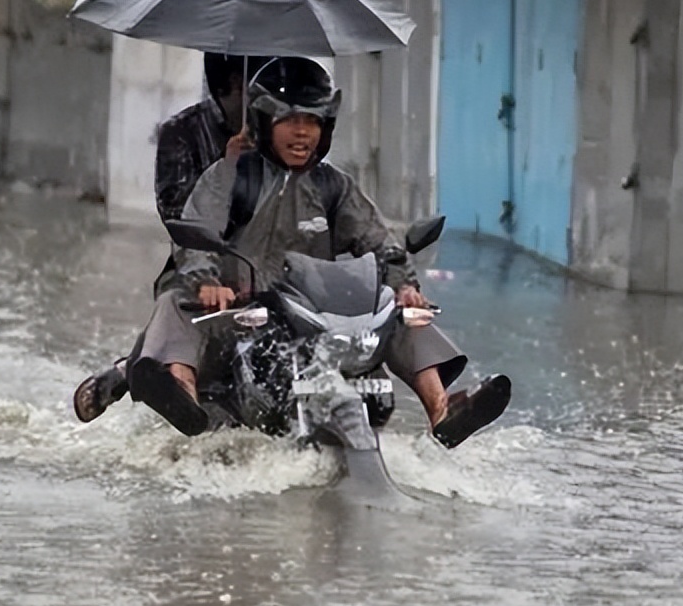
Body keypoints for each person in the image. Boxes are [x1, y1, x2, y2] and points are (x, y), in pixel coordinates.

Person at [127, 57, 512, 448]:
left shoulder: (334, 186)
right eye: (290, 120)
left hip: (309, 318)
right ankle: (182, 390)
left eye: (312, 121)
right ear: (263, 121)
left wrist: (403, 284)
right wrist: (207, 281)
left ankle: (441, 407)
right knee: (176, 301)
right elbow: (196, 236)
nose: (302, 132)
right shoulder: (229, 175)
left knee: (401, 311)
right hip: (240, 314)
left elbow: (379, 240)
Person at [72, 52, 269, 423]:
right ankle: (166, 384)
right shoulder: (182, 133)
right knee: (177, 303)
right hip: (201, 268)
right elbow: (180, 216)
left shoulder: (286, 140)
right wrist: (229, 169)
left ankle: (125, 371)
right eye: (250, 89)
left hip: (270, 269)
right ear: (229, 86)